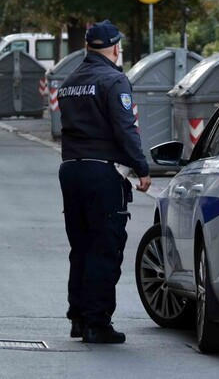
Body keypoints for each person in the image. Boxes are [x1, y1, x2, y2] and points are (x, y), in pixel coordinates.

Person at [57, 20, 151, 345]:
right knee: (104, 247)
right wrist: (142, 168)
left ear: (87, 47)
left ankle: (79, 318)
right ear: (114, 48)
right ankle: (97, 323)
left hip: (70, 170)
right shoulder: (114, 80)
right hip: (103, 173)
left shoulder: (69, 82)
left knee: (80, 246)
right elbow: (126, 129)